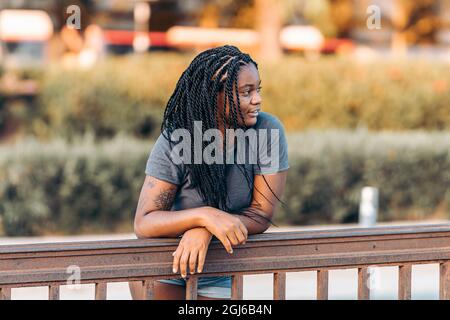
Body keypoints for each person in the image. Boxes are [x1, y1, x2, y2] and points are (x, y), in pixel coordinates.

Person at [129, 45, 289, 300]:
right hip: (162, 260)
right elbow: (144, 222)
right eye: (246, 92)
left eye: (258, 90)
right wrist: (204, 216)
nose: (257, 99)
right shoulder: (177, 138)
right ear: (215, 95)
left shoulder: (267, 131)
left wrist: (205, 229)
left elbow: (261, 214)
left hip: (218, 262)